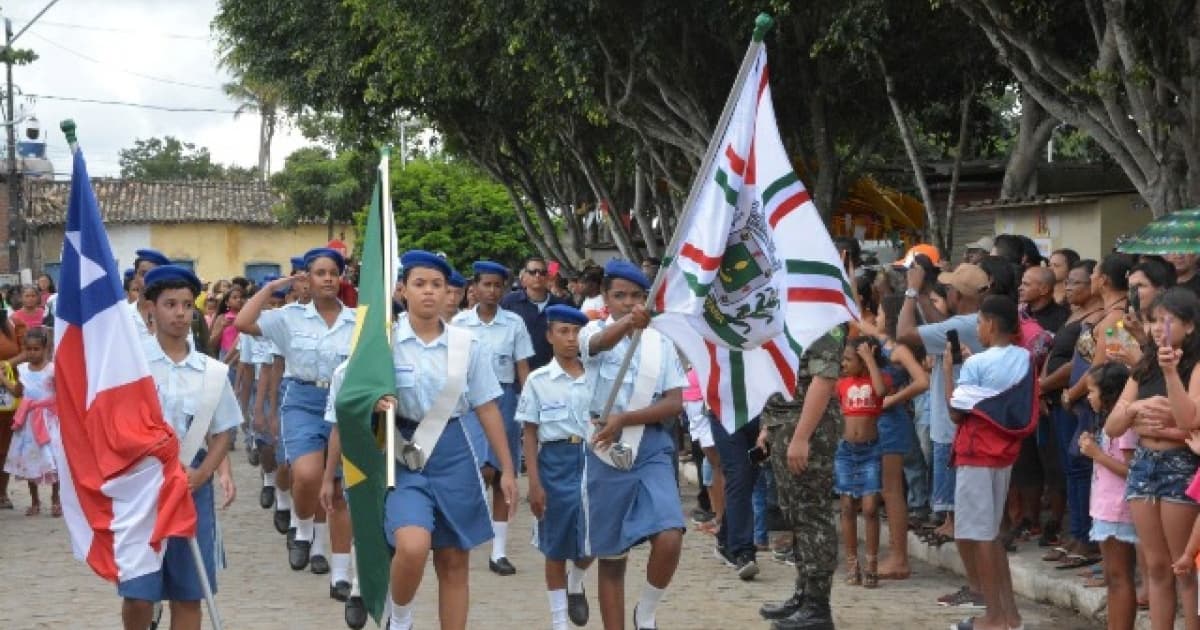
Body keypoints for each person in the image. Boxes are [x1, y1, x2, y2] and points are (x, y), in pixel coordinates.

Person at [338, 249, 516, 630]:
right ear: (403, 290)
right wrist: (373, 402)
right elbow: (349, 399)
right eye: (420, 284)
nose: (429, 292)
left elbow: (487, 407)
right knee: (413, 545)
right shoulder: (381, 343)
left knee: (454, 560)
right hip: (397, 449)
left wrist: (507, 469)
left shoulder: (467, 345)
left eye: (438, 285)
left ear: (451, 292)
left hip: (453, 451)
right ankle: (400, 619)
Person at [119, 265, 239, 630]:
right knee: (138, 592)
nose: (180, 313)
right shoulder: (132, 366)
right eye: (170, 304)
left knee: (189, 592)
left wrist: (203, 474)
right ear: (150, 307)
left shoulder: (211, 371)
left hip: (190, 486)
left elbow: (224, 432)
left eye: (187, 305)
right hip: (142, 486)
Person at [235, 247, 355, 580]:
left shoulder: (357, 320)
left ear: (341, 277)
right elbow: (244, 322)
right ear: (307, 278)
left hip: (343, 403)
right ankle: (303, 530)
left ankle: (331, 562)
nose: (328, 278)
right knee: (306, 474)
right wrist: (274, 287)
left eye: (333, 272)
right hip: (302, 399)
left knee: (336, 485)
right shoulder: (289, 317)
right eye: (320, 273)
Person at [580, 259, 686, 630]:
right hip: (602, 447)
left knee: (671, 534)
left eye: (636, 296)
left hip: (651, 445)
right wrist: (627, 324)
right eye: (620, 296)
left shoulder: (660, 343)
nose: (628, 302)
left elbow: (675, 402)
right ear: (605, 298)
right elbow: (597, 345)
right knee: (610, 555)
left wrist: (626, 418)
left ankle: (647, 611)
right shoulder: (591, 330)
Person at [1106, 287, 1200, 630]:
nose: (1158, 328)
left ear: (1189, 327)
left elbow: (1191, 419)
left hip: (1180, 465)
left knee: (1183, 565)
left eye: (1167, 321)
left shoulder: (1195, 366)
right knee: (1156, 566)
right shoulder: (1144, 367)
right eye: (1153, 321)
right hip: (1144, 464)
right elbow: (1113, 427)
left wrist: (1172, 376)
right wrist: (1135, 408)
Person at [946, 294, 1037, 630]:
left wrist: (948, 370)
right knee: (993, 533)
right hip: (1003, 452)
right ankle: (1009, 614)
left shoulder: (975, 364)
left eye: (980, 323)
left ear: (992, 324)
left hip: (977, 450)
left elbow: (957, 412)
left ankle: (994, 618)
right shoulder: (1024, 357)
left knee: (980, 535)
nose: (978, 330)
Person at [897, 262, 987, 582]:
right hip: (957, 416)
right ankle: (952, 526)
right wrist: (922, 296)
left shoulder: (967, 325)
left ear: (956, 294)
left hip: (955, 418)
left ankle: (975, 583)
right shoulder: (971, 322)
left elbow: (905, 334)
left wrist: (910, 292)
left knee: (959, 502)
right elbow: (943, 328)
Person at [757, 327, 844, 630]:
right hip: (785, 422)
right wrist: (768, 425)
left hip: (809, 429)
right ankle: (804, 595)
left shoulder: (823, 321)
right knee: (795, 515)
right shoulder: (792, 319)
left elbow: (824, 380)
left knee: (812, 516)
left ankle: (818, 607)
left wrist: (801, 436)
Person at [453, 260, 535, 576]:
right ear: (473, 287)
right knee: (477, 471)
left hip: (504, 399)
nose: (491, 290)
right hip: (470, 401)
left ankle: (498, 551)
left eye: (497, 285)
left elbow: (522, 369)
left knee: (503, 471)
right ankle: (464, 537)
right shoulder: (460, 324)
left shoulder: (514, 323)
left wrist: (530, 407)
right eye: (485, 284)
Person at [518, 304, 596, 629]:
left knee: (596, 538)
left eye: (576, 331)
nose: (570, 338)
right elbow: (530, 433)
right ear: (549, 335)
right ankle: (558, 619)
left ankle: (575, 581)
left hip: (593, 460)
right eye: (563, 331)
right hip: (555, 462)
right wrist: (534, 483)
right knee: (555, 543)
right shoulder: (538, 380)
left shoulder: (597, 376)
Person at [1078, 361, 1137, 630]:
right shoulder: (1110, 422)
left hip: (1117, 508)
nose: (1088, 396)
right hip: (1106, 507)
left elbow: (1131, 471)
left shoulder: (1125, 427)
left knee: (1119, 576)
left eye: (1093, 391)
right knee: (1113, 577)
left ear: (1109, 393)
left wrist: (1097, 455)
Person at [873, 295, 929, 579]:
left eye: (881, 312)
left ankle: (899, 558)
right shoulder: (879, 343)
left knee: (893, 490)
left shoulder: (897, 350)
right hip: (875, 423)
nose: (876, 316)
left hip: (891, 423)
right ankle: (893, 554)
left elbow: (922, 381)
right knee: (885, 490)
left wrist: (892, 400)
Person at [835, 337, 888, 589]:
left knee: (869, 507)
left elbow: (880, 392)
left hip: (870, 450)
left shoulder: (876, 378)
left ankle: (872, 563)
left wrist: (869, 359)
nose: (843, 364)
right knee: (846, 506)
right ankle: (852, 562)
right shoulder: (841, 384)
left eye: (848, 359)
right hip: (845, 451)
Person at [2, 327, 56, 516]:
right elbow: (18, 391)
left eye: (36, 349)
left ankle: (55, 499)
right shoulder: (22, 369)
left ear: (45, 348)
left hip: (49, 421)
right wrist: (4, 380)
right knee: (30, 461)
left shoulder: (53, 370)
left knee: (53, 459)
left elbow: (62, 393)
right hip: (28, 424)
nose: (33, 353)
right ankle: (35, 501)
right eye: (29, 349)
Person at [501, 256, 571, 371]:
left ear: (548, 277)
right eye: (533, 272)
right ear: (524, 278)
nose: (537, 276)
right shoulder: (509, 302)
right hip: (515, 375)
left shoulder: (561, 306)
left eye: (542, 272)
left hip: (550, 373)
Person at [0, 306, 26, 510]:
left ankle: (2, 492)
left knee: (4, 444)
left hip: (8, 393)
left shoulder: (14, 323)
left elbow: (28, 351)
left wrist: (7, 364)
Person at [129, 248, 171, 338]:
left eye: (155, 275)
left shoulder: (174, 314)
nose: (148, 280)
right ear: (135, 277)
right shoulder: (124, 315)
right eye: (143, 274)